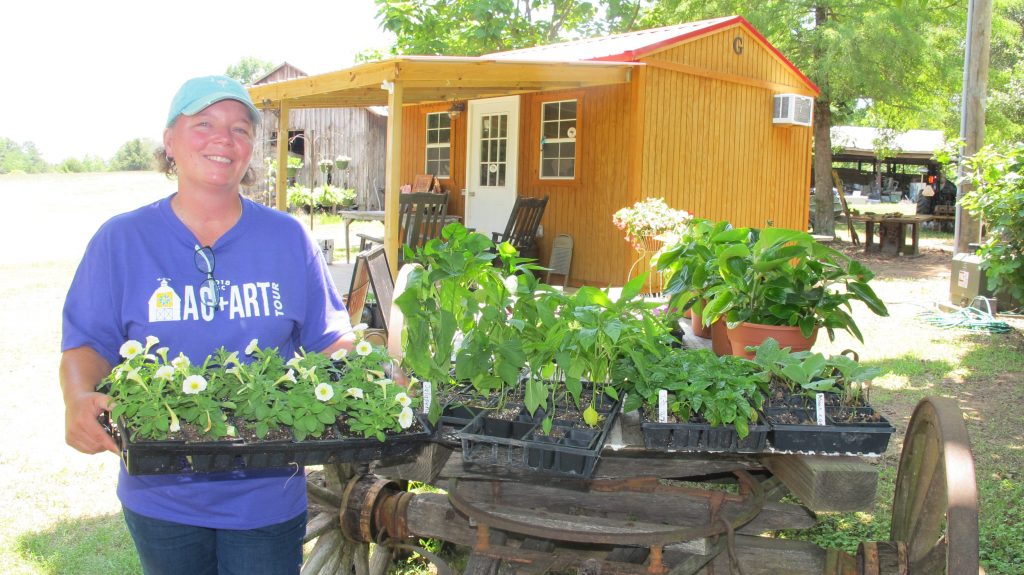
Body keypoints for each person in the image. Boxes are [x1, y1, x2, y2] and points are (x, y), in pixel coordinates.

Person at [60, 75, 354, 575]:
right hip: (161, 492)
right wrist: (77, 397)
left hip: (266, 493)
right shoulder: (122, 240)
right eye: (204, 124)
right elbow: (88, 342)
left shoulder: (287, 238)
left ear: (250, 149)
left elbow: (330, 339)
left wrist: (366, 374)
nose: (224, 138)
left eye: (240, 129)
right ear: (169, 141)